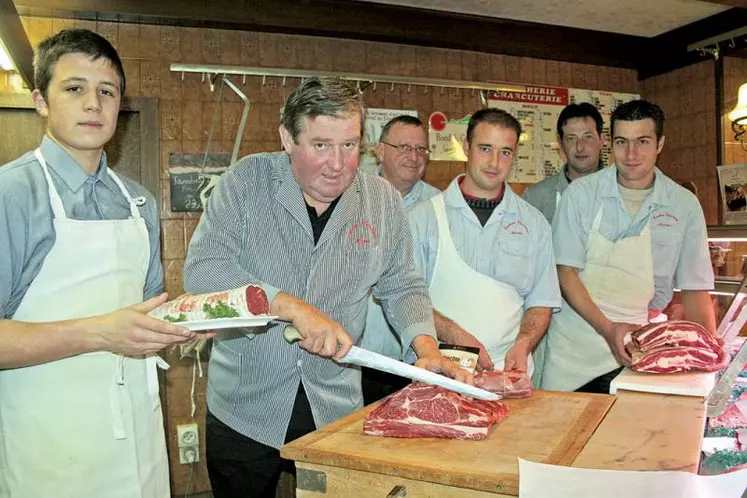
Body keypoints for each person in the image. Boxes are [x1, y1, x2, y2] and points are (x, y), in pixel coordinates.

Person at [183, 77, 468, 498]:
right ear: (286, 138)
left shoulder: (382, 201)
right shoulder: (246, 183)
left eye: (349, 146)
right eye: (320, 146)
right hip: (245, 404)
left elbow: (402, 284)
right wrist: (289, 306)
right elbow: (204, 271)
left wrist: (425, 347)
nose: (337, 164)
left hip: (333, 405)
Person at [0, 29, 194, 498]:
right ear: (40, 101)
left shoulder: (140, 203)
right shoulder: (12, 195)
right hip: (50, 450)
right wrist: (99, 333)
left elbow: (144, 315)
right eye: (74, 88)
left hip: (140, 441)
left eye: (107, 92)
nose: (93, 103)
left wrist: (182, 323)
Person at [541, 100, 716, 394]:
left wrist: (707, 356)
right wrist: (608, 329)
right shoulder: (582, 194)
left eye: (642, 142)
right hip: (573, 353)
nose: (631, 154)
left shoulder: (683, 205)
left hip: (638, 352)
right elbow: (565, 272)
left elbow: (695, 289)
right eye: (622, 142)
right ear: (610, 143)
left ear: (660, 143)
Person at [408, 108, 561, 377]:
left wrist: (524, 344)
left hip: (509, 372)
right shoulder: (424, 218)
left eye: (505, 152)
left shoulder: (534, 224)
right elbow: (406, 299)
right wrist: (452, 332)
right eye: (485, 148)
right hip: (441, 371)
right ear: (467, 147)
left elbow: (541, 300)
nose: (494, 162)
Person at [360, 115, 440, 403]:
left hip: (418, 357)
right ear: (379, 151)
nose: (414, 156)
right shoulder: (352, 198)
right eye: (404, 147)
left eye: (421, 149)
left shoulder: (439, 208)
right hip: (357, 357)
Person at [522, 102, 605, 224]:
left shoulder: (622, 191)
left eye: (587, 137)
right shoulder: (535, 199)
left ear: (602, 140)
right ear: (560, 143)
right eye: (571, 138)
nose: (580, 147)